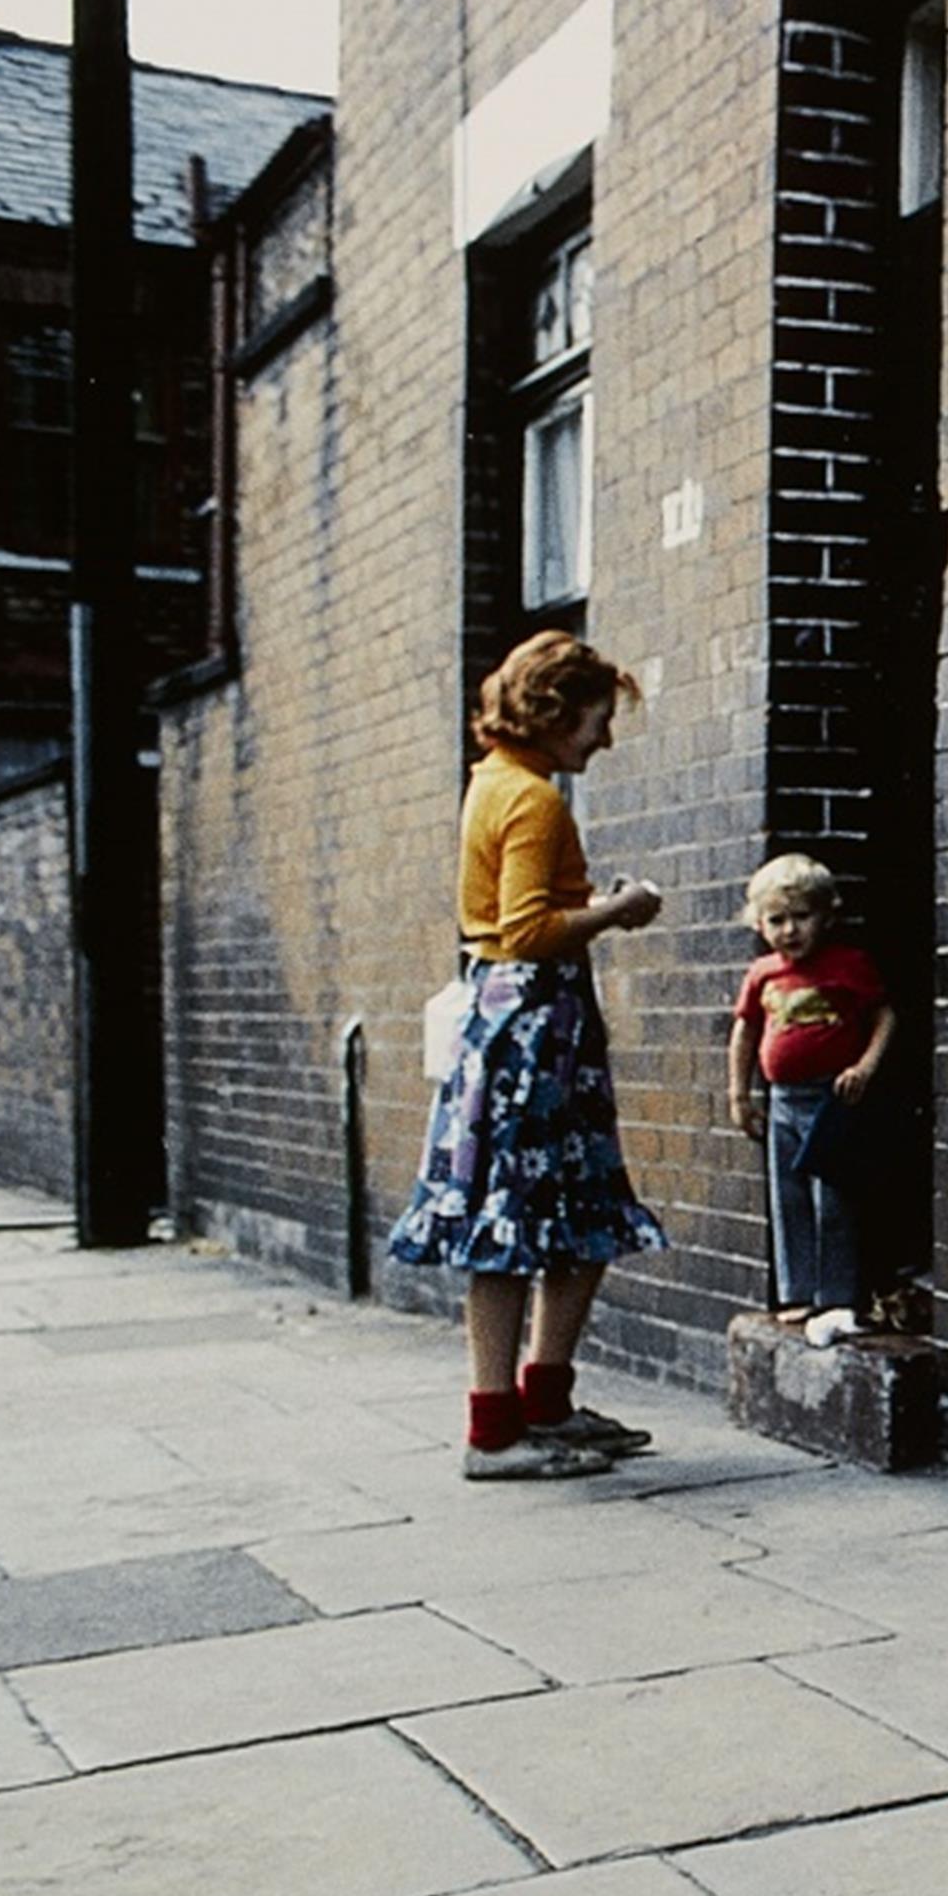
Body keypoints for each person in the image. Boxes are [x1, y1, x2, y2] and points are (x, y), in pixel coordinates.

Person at [389, 631, 668, 1480]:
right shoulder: (534, 800)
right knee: (512, 1220)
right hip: (531, 1026)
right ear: (553, 711)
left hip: (533, 1025)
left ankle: (539, 1403)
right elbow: (525, 932)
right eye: (596, 719)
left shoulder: (498, 783)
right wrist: (621, 908)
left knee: (577, 1210)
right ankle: (495, 1430)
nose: (605, 738)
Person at [726, 853, 897, 1343]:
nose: (789, 931)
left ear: (827, 916)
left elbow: (885, 1016)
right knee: (788, 1194)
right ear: (759, 924)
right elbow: (745, 1031)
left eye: (802, 917)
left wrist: (864, 1066)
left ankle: (836, 1294)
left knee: (832, 1197)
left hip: (832, 1098)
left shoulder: (848, 966)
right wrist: (740, 1094)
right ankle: (797, 1290)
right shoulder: (763, 973)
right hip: (782, 1099)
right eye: (776, 920)